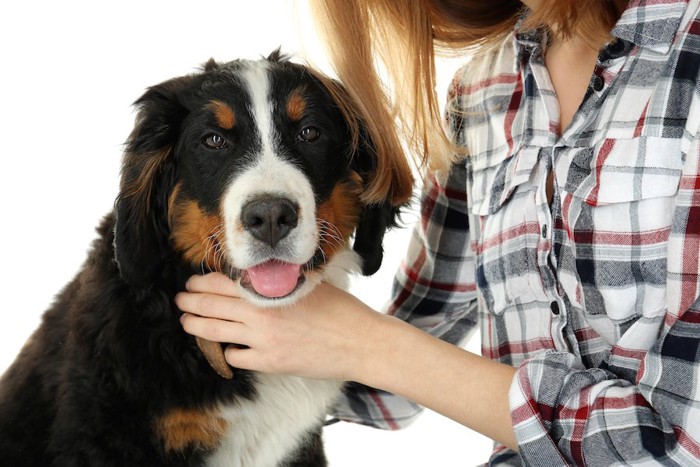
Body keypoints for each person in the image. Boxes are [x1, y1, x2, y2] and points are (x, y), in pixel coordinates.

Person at [176, 0, 700, 464]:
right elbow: (411, 350)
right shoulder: (483, 92)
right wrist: (188, 365)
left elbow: (677, 445)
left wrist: (366, 344)